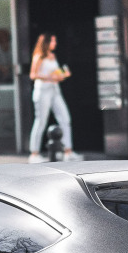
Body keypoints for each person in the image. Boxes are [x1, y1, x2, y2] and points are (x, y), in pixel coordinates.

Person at [27, 33, 80, 163]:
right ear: (46, 43)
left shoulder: (53, 56)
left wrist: (62, 75)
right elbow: (33, 75)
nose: (55, 44)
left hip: (55, 90)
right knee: (41, 121)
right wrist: (49, 77)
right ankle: (34, 153)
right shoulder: (39, 56)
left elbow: (56, 73)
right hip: (43, 91)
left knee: (65, 118)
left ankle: (68, 151)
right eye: (53, 41)